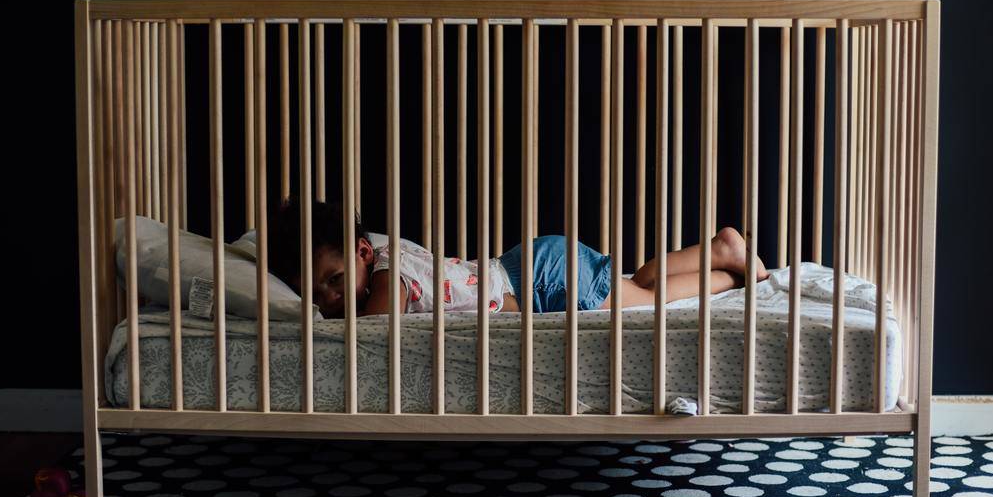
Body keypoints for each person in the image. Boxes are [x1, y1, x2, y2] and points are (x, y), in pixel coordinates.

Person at [267, 195, 769, 319]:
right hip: (529, 267)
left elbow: (375, 332)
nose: (330, 297)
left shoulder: (385, 275)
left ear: (361, 251)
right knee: (641, 282)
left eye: (333, 280)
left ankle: (727, 275)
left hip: (537, 280)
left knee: (650, 301)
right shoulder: (383, 247)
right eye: (316, 294)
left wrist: (322, 320)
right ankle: (719, 249)